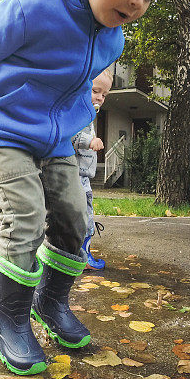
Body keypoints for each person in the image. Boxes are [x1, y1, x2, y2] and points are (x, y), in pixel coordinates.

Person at [0, 0, 179, 375]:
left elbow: (80, 85)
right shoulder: (36, 5)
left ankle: (50, 303)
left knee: (75, 216)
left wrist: (84, 128)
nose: (138, 1)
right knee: (25, 215)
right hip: (2, 130)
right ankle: (9, 316)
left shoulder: (112, 39)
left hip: (56, 142)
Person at [74, 69, 112, 270]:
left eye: (104, 94)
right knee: (83, 215)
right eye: (96, 91)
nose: (100, 97)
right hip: (76, 174)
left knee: (86, 213)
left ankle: (82, 253)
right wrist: (90, 141)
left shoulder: (88, 114)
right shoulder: (78, 112)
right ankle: (81, 256)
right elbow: (71, 136)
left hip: (84, 176)